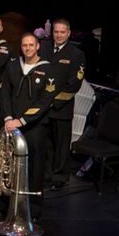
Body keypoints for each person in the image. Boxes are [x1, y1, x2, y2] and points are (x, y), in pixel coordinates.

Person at [0, 33, 58, 218]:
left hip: (35, 127)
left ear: (38, 46)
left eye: (31, 45)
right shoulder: (13, 66)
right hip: (11, 124)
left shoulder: (48, 69)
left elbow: (45, 101)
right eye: (24, 45)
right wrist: (8, 118)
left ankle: (33, 209)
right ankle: (9, 206)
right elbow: (4, 94)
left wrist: (22, 120)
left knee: (34, 168)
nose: (28, 48)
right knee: (9, 166)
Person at [40, 18, 86, 189]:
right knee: (46, 144)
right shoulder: (43, 48)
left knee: (61, 145)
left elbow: (74, 84)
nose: (59, 35)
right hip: (42, 108)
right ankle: (46, 175)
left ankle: (59, 177)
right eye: (56, 32)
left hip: (61, 108)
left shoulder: (76, 54)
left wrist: (52, 102)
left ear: (68, 33)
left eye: (62, 32)